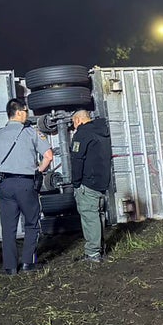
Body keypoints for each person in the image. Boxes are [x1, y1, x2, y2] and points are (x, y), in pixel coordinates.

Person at [0, 98, 55, 275]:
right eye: (26, 112)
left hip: (4, 185)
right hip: (26, 183)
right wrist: (38, 170)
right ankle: (28, 263)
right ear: (20, 112)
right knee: (31, 223)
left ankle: (10, 267)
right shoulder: (31, 133)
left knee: (8, 228)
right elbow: (49, 156)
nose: (27, 115)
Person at [70, 109, 112, 263]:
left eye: (73, 122)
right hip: (102, 182)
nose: (74, 126)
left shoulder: (81, 135)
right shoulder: (103, 133)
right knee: (98, 216)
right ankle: (100, 248)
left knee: (89, 216)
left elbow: (77, 160)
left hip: (87, 183)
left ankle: (93, 254)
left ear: (78, 120)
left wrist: (76, 182)